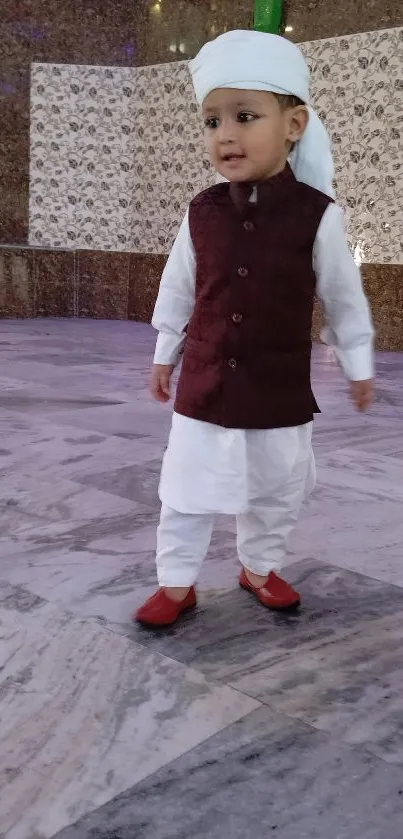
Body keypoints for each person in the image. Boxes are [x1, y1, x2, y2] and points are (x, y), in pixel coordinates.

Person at [135, 30, 374, 628]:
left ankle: (259, 568)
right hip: (206, 384)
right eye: (212, 121)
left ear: (294, 123)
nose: (226, 135)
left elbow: (344, 297)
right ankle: (176, 582)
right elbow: (178, 287)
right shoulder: (201, 212)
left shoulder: (318, 216)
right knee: (185, 494)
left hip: (278, 390)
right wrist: (166, 352)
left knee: (274, 492)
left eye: (244, 116)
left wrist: (358, 362)